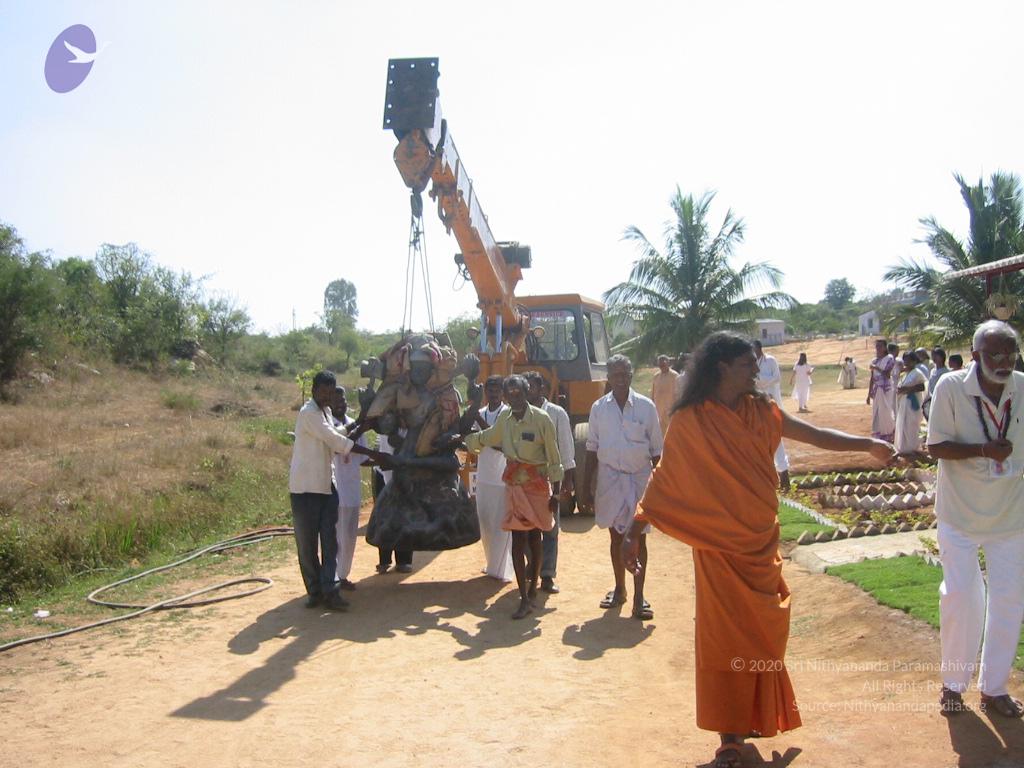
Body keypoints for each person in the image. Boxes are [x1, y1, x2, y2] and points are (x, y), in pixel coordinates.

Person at [620, 332, 895, 767]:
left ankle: (752, 715)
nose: (756, 370)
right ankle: (729, 738)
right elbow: (666, 477)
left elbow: (815, 435)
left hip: (760, 543)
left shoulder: (763, 411)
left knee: (765, 636)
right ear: (722, 367)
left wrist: (867, 445)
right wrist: (635, 529)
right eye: (748, 364)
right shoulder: (690, 421)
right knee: (723, 640)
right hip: (719, 549)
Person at [927, 320, 1024, 718]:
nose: (1004, 361)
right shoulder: (951, 387)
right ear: (975, 355)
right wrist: (984, 450)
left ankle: (994, 689)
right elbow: (936, 446)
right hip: (959, 514)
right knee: (960, 598)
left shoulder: (1022, 387)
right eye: (994, 353)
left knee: (1009, 601)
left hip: (1011, 516)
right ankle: (953, 685)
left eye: (1010, 352)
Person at [462, 374, 563, 619]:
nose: (515, 397)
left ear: (527, 393)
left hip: (538, 488)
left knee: (536, 539)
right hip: (514, 487)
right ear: (506, 397)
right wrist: (465, 440)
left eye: (519, 393)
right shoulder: (505, 420)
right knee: (518, 540)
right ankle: (524, 598)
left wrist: (557, 494)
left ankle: (533, 587)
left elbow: (554, 457)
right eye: (511, 394)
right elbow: (487, 437)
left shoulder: (542, 419)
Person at [579, 355, 662, 621]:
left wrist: (661, 489)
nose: (620, 378)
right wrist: (585, 486)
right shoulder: (598, 409)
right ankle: (620, 589)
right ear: (608, 377)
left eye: (624, 373)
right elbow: (591, 448)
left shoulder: (646, 407)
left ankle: (639, 597)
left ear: (631, 374)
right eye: (615, 374)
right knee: (616, 538)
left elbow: (657, 451)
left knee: (639, 538)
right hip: (610, 480)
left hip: (639, 479)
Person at [289, 370, 362, 611]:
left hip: (326, 487)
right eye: (323, 392)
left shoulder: (326, 412)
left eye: (331, 393)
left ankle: (330, 590)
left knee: (330, 542)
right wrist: (370, 450)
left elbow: (336, 434)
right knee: (307, 545)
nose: (328, 397)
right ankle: (315, 591)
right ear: (313, 391)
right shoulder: (308, 413)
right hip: (305, 489)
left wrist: (357, 425)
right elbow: (334, 440)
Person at [524, 370, 575, 594]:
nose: (528, 391)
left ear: (542, 389)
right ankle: (533, 566)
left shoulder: (556, 413)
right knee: (526, 529)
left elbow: (567, 449)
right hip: (525, 482)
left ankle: (547, 575)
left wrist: (567, 482)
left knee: (550, 530)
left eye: (531, 387)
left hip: (549, 481)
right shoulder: (518, 414)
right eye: (525, 388)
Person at [473, 375, 513, 582]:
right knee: (485, 524)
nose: (494, 393)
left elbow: (500, 443)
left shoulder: (507, 413)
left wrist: (481, 433)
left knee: (501, 526)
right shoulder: (480, 413)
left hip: (501, 479)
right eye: (490, 389)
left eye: (497, 389)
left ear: (503, 392)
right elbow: (475, 441)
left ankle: (502, 570)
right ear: (485, 392)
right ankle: (491, 564)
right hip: (483, 477)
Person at [331, 386, 368, 591]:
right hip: (334, 491)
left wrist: (385, 461)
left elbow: (363, 457)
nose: (341, 404)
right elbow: (341, 446)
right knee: (334, 537)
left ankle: (343, 575)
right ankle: (332, 577)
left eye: (343, 400)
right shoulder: (329, 426)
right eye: (336, 401)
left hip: (352, 491)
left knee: (349, 537)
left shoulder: (353, 422)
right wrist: (361, 426)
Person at [371, 431, 413, 574]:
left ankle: (404, 560)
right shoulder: (386, 422)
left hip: (405, 471)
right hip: (383, 472)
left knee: (405, 517)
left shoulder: (413, 422)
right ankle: (384, 560)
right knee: (384, 517)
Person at [753, 340, 791, 490]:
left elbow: (777, 377)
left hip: (773, 404)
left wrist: (762, 382)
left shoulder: (770, 360)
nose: (753, 352)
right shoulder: (751, 364)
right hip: (758, 407)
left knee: (776, 438)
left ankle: (784, 474)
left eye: (755, 349)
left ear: (760, 349)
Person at [894, 351, 927, 456]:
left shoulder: (917, 373)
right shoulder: (905, 374)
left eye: (909, 360)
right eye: (905, 360)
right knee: (903, 425)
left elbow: (922, 386)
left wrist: (907, 389)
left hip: (913, 403)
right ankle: (903, 448)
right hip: (904, 403)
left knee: (911, 425)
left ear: (914, 361)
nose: (906, 363)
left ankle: (913, 448)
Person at [867, 339, 897, 442]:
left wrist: (876, 368)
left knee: (886, 411)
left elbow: (887, 374)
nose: (878, 348)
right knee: (877, 412)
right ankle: (879, 435)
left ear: (885, 347)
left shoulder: (889, 359)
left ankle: (889, 434)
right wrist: (869, 393)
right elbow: (872, 378)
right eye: (877, 346)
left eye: (880, 346)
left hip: (886, 389)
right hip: (877, 390)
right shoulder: (874, 361)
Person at [650, 354, 680, 436]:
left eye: (663, 364)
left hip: (671, 410)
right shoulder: (656, 376)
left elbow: (679, 394)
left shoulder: (675, 376)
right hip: (658, 410)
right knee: (659, 433)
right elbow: (653, 394)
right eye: (660, 364)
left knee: (672, 433)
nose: (661, 366)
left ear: (668, 363)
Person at [922, 347, 950, 420]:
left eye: (936, 355)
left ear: (942, 357)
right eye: (933, 355)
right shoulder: (932, 371)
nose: (934, 357)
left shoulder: (947, 372)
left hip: (943, 400)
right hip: (932, 399)